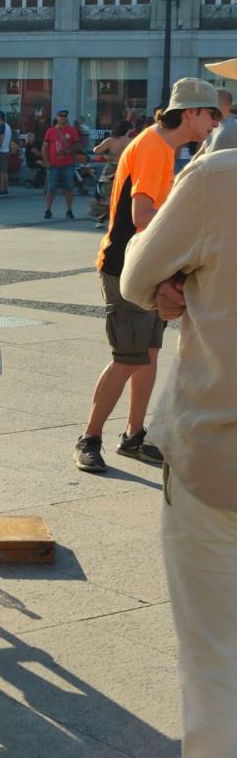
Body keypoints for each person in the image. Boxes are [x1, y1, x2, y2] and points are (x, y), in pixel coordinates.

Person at [120, 140, 237, 758]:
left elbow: (139, 273)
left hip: (220, 459)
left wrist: (177, 279)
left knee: (216, 666)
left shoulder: (219, 175)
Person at [74, 78, 221, 473]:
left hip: (144, 267)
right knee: (128, 359)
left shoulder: (159, 145)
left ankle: (134, 436)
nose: (214, 124)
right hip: (126, 268)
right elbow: (143, 218)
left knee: (148, 357)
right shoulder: (155, 148)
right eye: (211, 115)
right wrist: (185, 234)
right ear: (190, 112)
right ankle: (88, 438)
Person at [90, 120, 132, 227]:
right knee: (121, 193)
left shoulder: (110, 141)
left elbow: (96, 150)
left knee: (103, 192)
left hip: (110, 169)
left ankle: (101, 219)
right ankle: (119, 218)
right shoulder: (130, 141)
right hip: (124, 168)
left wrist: (106, 153)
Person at [42, 108, 80, 219]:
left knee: (69, 187)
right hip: (54, 164)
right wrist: (46, 161)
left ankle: (69, 210)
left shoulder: (72, 131)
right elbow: (45, 147)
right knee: (51, 187)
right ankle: (48, 209)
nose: (63, 117)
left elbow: (77, 146)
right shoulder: (51, 131)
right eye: (61, 115)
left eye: (65, 116)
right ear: (56, 117)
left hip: (68, 164)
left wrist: (68, 151)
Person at [199, 63, 237, 153]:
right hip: (207, 166)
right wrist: (189, 166)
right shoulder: (211, 124)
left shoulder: (235, 124)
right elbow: (203, 150)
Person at [0, 110, 12, 195]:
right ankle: (6, 188)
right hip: (7, 150)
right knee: (5, 171)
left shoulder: (1, 126)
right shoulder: (8, 126)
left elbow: (1, 138)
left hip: (1, 151)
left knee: (1, 171)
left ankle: (1, 189)